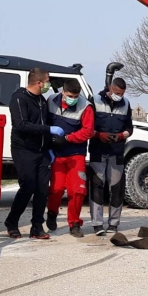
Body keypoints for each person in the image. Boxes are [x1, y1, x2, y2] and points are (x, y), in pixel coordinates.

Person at [4, 68, 59, 240]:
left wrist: (49, 146)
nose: (49, 84)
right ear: (39, 83)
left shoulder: (41, 100)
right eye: (48, 81)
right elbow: (22, 125)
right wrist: (49, 129)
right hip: (24, 149)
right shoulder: (19, 98)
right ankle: (12, 222)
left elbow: (43, 123)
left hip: (41, 151)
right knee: (28, 186)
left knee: (43, 188)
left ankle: (37, 226)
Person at [45, 78, 95, 238]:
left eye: (76, 96)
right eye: (69, 95)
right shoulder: (51, 101)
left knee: (78, 190)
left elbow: (87, 131)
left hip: (75, 154)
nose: (73, 99)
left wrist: (67, 138)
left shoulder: (86, 107)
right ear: (62, 92)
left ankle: (74, 223)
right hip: (56, 155)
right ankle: (52, 213)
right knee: (56, 189)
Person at [87, 77, 133, 236]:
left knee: (117, 188)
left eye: (122, 93)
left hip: (117, 152)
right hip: (97, 151)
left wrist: (121, 135)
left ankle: (114, 224)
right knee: (97, 187)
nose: (119, 96)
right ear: (110, 88)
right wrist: (99, 135)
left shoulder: (126, 104)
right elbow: (87, 127)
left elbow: (130, 128)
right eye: (117, 93)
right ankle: (97, 224)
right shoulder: (94, 101)